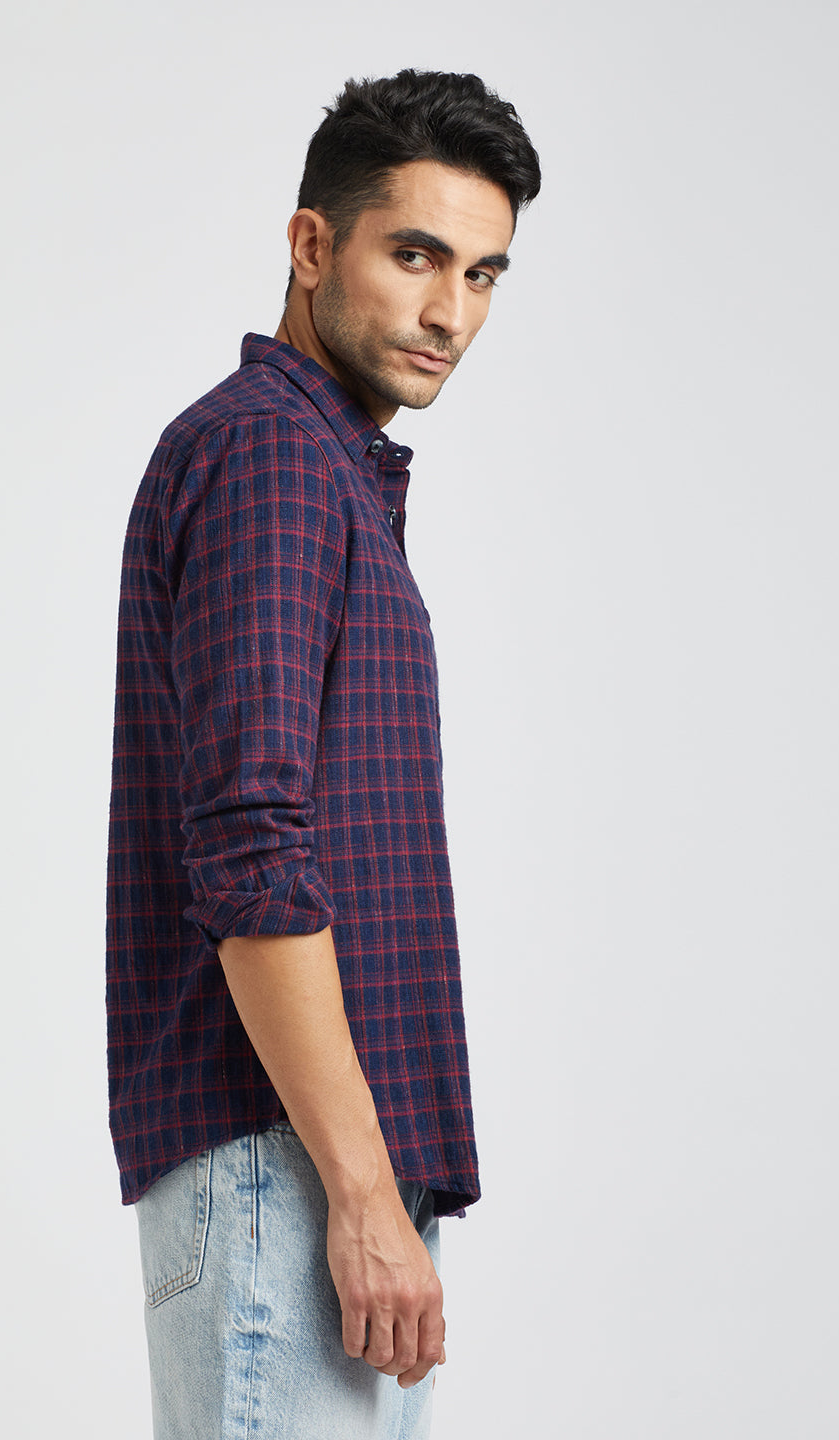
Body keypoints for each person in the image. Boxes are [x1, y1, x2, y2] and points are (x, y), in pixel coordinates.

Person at [107, 68, 541, 1439]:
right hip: (283, 1172)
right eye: (416, 256)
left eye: (483, 273)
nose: (450, 312)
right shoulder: (273, 458)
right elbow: (251, 845)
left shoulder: (320, 468)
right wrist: (357, 1192)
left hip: (310, 1164)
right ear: (311, 244)